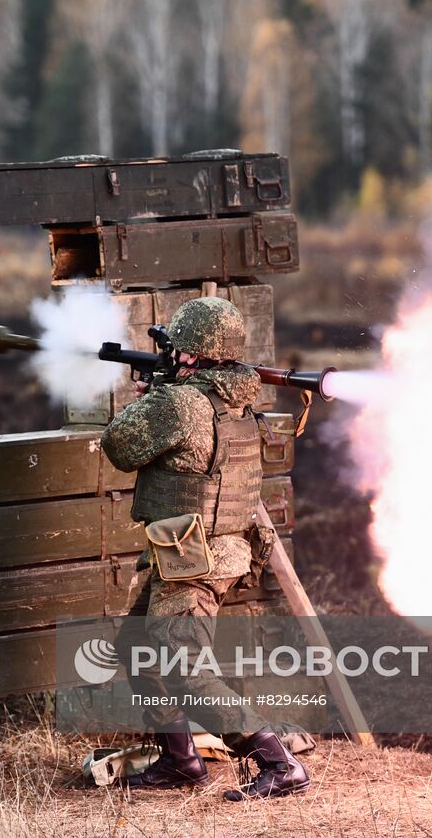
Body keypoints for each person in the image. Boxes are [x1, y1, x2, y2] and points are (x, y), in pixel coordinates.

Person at [101, 296, 311, 801]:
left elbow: (118, 446)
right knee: (139, 646)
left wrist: (151, 395)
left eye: (177, 350)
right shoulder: (235, 397)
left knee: (181, 663)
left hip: (195, 553)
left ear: (191, 354)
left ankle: (277, 762)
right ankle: (180, 759)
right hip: (203, 546)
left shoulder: (180, 403)